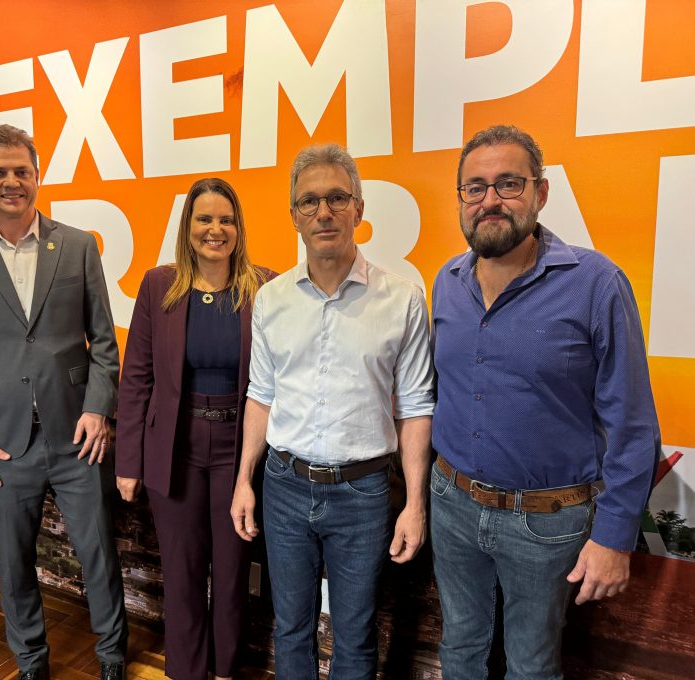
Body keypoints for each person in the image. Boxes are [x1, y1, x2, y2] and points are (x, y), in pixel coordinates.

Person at [430, 124, 661, 679]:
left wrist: (614, 539)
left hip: (546, 523)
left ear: (541, 192)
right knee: (458, 648)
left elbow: (633, 425)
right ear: (461, 199)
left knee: (532, 666)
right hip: (452, 505)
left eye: (508, 184)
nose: (490, 200)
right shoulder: (447, 282)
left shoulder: (596, 284)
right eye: (475, 187)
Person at [0, 124, 128, 680]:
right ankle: (31, 662)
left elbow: (103, 342)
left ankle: (113, 656)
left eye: (22, 170)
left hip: (77, 436)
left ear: (38, 176)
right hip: (0, 442)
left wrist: (98, 408)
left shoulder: (79, 244)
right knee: (15, 563)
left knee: (99, 555)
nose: (11, 181)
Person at [230, 144, 435, 677]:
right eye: (310, 201)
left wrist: (415, 503)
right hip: (284, 486)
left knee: (355, 635)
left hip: (363, 494)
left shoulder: (403, 299)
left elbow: (416, 407)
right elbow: (261, 394)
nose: (324, 212)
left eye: (337, 198)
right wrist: (245, 480)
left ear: (358, 209)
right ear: (294, 215)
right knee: (290, 628)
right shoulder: (271, 299)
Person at [116, 178, 273, 680]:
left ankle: (224, 671)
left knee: (232, 573)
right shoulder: (158, 285)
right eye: (204, 219)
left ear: (238, 228)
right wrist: (128, 462)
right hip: (175, 448)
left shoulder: (264, 287)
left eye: (226, 219)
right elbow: (136, 377)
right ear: (188, 227)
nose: (215, 229)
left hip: (239, 450)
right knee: (181, 572)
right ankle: (184, 671)